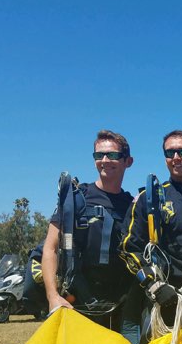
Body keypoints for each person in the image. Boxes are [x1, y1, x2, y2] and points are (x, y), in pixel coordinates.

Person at [120, 130, 182, 344]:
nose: (176, 157)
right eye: (170, 152)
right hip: (165, 300)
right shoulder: (149, 199)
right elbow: (129, 248)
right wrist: (154, 285)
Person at [41, 130, 135, 331]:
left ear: (128, 161)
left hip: (122, 306)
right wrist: (53, 297)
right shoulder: (76, 200)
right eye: (98, 155)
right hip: (78, 302)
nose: (104, 160)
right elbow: (49, 248)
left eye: (112, 155)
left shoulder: (133, 205)